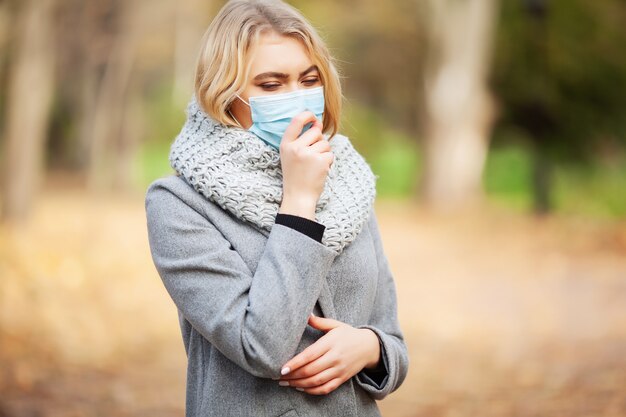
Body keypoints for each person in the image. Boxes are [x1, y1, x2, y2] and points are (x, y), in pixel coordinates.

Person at [144, 1, 409, 416]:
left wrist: (370, 348)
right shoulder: (179, 204)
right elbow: (262, 346)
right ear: (224, 93)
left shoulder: (345, 179)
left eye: (308, 79)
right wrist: (299, 201)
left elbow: (393, 340)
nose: (298, 100)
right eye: (271, 85)